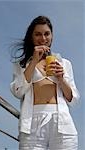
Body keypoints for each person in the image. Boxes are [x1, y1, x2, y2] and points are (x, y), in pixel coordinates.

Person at [10, 16, 80, 150]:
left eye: (47, 34)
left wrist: (61, 78)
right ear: (31, 37)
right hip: (32, 123)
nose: (43, 38)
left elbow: (73, 98)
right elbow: (18, 91)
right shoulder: (22, 65)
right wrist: (34, 62)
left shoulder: (64, 63)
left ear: (52, 36)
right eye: (38, 34)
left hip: (62, 123)